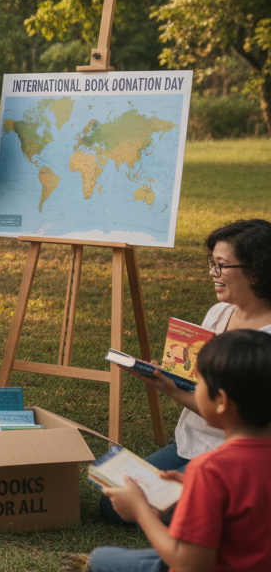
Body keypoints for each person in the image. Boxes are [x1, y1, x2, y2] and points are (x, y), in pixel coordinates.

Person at [101, 218, 271, 524]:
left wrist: (171, 389)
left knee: (176, 512)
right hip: (192, 441)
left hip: (235, 453)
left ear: (257, 270)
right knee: (111, 500)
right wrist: (170, 379)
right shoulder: (219, 313)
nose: (212, 273)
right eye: (211, 262)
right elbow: (197, 384)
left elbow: (234, 415)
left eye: (221, 265)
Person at [88, 329, 271, 572]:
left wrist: (141, 510)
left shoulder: (209, 470)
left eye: (200, 381)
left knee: (101, 558)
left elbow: (189, 565)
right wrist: (193, 486)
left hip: (201, 562)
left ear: (221, 401)